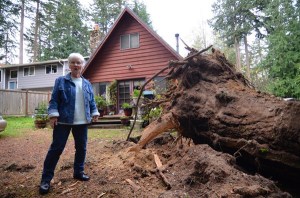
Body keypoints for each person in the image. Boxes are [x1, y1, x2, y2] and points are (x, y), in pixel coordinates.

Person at [39, 53, 99, 195]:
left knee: (81, 148)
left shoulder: (87, 83)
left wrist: (94, 112)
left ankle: (78, 172)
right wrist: (53, 115)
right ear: (69, 65)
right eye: (73, 62)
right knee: (56, 149)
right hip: (63, 121)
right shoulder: (60, 81)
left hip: (82, 121)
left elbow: (91, 101)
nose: (76, 65)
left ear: (82, 65)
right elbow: (54, 100)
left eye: (78, 62)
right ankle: (46, 179)